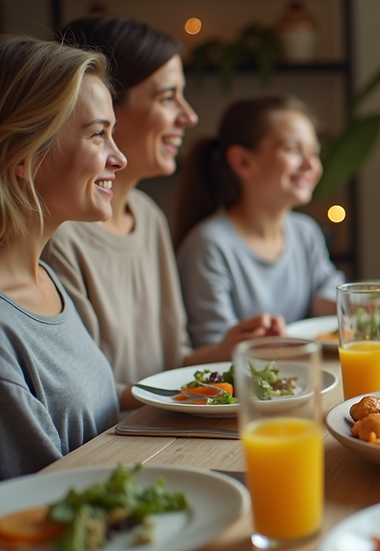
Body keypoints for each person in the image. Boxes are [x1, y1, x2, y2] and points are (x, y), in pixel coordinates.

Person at [42, 16, 283, 411]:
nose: (189, 117)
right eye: (168, 97)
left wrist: (227, 350)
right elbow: (87, 399)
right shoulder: (58, 237)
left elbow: (171, 365)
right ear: (104, 103)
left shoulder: (149, 217)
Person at [0, 35, 125, 478]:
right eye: (98, 135)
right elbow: (42, 511)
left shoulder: (47, 279)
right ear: (26, 154)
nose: (119, 158)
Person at [174, 95, 345, 348]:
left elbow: (328, 289)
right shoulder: (210, 245)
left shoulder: (305, 232)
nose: (311, 164)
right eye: (293, 150)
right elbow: (213, 346)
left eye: (314, 152)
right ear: (243, 161)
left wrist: (354, 305)